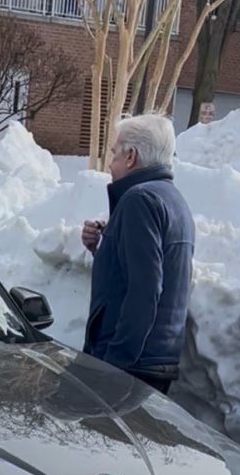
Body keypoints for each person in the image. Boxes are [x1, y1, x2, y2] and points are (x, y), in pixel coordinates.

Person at [80, 113, 195, 395]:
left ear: (131, 156)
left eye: (114, 153)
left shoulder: (139, 200)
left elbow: (145, 288)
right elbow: (144, 271)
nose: (110, 164)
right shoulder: (174, 199)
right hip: (155, 359)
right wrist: (102, 247)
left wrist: (113, 364)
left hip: (130, 365)